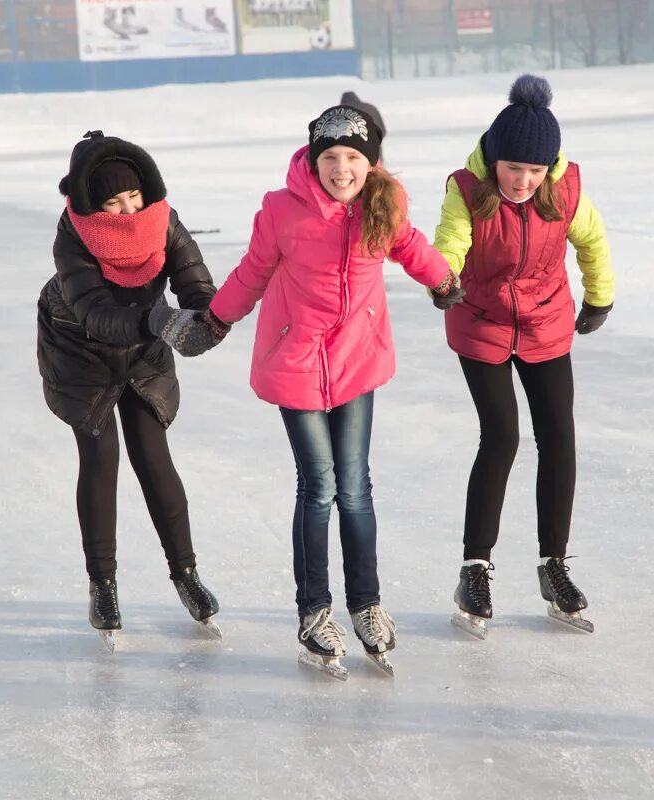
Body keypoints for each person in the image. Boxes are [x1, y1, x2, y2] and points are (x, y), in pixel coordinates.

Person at [205, 99, 464, 677]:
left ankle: (367, 604)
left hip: (356, 362)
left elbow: (412, 246)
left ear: (371, 163)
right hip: (295, 360)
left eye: (353, 157)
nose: (341, 168)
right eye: (330, 157)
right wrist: (218, 318)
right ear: (313, 160)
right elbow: (252, 270)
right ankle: (314, 610)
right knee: (318, 485)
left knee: (356, 488)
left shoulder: (383, 204)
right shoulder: (281, 211)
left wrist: (444, 279)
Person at [432, 75, 615, 637]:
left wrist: (599, 297)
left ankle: (554, 564)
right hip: (481, 323)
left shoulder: (566, 191)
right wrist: (444, 277)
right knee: (503, 436)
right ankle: (475, 567)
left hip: (546, 323)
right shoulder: (467, 189)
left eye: (535, 172)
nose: (524, 181)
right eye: (515, 170)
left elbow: (593, 242)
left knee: (558, 434)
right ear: (496, 161)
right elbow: (450, 239)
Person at [37, 130, 228, 649]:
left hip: (145, 341)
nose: (127, 211)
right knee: (100, 460)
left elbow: (195, 281)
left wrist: (209, 320)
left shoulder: (161, 218)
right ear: (90, 205)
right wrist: (161, 321)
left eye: (133, 197)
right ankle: (103, 585)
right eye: (113, 202)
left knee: (154, 456)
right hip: (80, 349)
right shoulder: (72, 235)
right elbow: (97, 315)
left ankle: (185, 574)